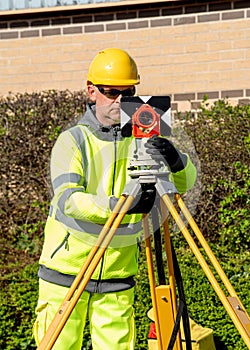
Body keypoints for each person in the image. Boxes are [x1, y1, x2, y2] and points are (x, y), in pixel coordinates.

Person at [33, 48, 197, 350]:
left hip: (117, 274)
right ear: (91, 91)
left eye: (129, 91)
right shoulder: (73, 140)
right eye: (111, 92)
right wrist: (120, 205)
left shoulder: (142, 137)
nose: (120, 100)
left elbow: (185, 184)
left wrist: (175, 159)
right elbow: (68, 200)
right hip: (66, 273)